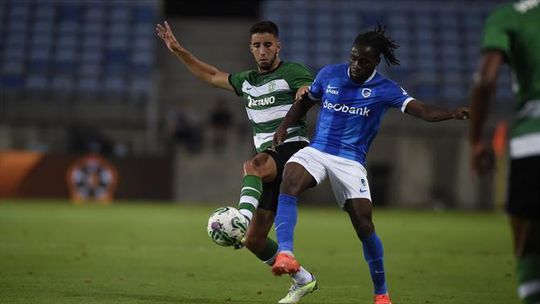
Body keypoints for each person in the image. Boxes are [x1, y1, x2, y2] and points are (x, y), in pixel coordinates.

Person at [270, 25, 470, 304]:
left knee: (363, 224)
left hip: (350, 161)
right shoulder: (329, 74)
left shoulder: (385, 89)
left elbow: (421, 110)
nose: (356, 65)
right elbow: (305, 102)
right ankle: (286, 253)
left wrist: (451, 112)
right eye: (353, 57)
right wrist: (283, 127)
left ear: (375, 62)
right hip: (318, 149)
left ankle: (381, 294)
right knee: (289, 179)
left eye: (363, 61)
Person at [156, 20, 318, 303]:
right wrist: (179, 51)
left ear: (278, 46)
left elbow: (306, 88)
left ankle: (239, 219)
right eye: (257, 46)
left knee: (253, 166)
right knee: (254, 242)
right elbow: (210, 74)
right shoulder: (246, 81)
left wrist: (303, 91)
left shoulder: (292, 71)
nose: (263, 50)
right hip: (270, 158)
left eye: (268, 44)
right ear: (251, 49)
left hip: (294, 150)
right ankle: (303, 280)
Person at [469, 2, 540, 304]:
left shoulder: (510, 16)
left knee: (529, 245)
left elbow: (486, 80)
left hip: (533, 139)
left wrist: (475, 140)